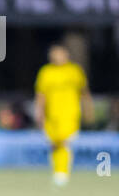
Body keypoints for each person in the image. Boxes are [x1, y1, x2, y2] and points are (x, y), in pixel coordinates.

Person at [34, 44, 94, 185]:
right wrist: (39, 112)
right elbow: (40, 95)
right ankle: (58, 171)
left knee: (64, 141)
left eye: (59, 54)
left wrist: (88, 110)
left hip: (70, 113)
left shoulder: (74, 71)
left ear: (66, 55)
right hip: (51, 115)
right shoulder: (46, 72)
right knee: (54, 144)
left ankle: (62, 172)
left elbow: (84, 92)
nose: (56, 57)